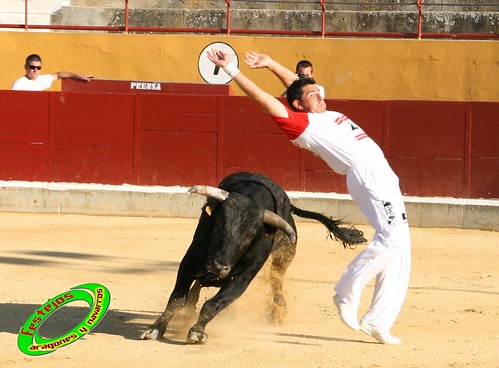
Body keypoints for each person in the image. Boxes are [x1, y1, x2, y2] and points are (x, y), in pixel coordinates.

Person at [207, 48, 411, 345]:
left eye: (318, 90)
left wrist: (271, 63)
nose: (319, 94)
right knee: (390, 239)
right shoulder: (300, 123)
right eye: (313, 94)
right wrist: (232, 71)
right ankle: (346, 291)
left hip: (384, 174)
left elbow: (298, 85)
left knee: (401, 246)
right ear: (298, 105)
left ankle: (379, 320)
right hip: (367, 176)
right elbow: (263, 98)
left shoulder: (323, 110)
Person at [11, 54, 94, 91]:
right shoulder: (19, 83)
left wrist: (79, 75)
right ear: (26, 67)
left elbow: (58, 75)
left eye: (38, 67)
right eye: (32, 67)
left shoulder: (40, 79)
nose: (35, 70)